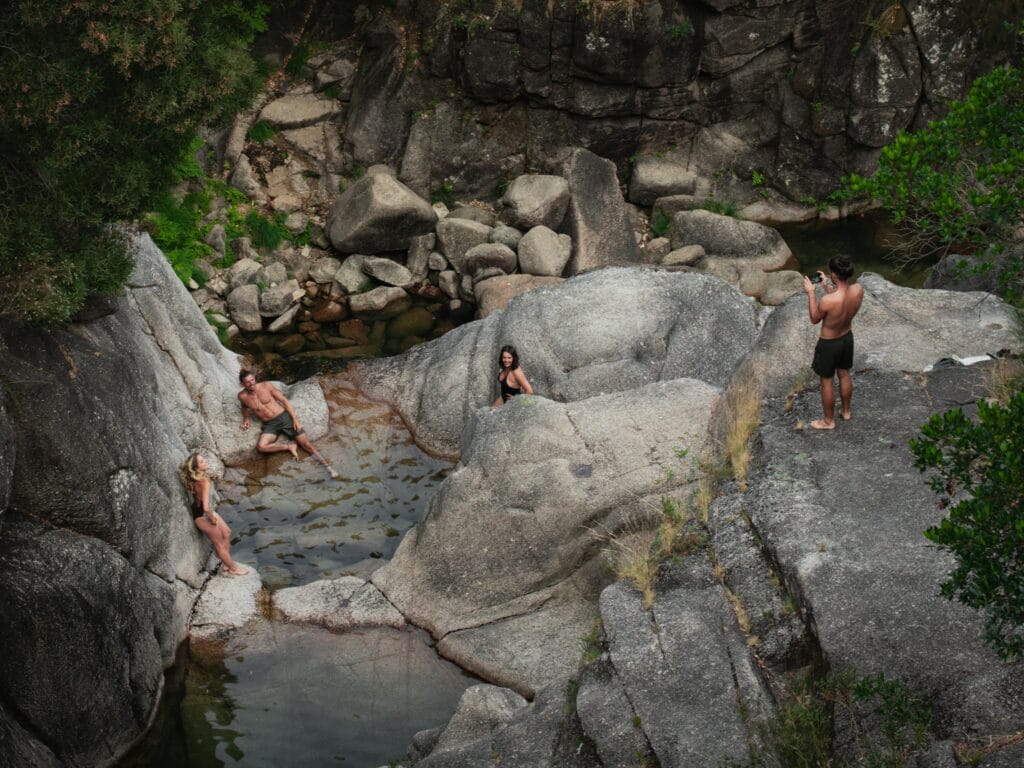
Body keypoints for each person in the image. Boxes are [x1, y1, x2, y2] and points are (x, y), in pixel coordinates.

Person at [238, 369, 340, 478]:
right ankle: (288, 446)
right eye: (247, 382)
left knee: (306, 444)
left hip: (284, 418)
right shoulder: (242, 396)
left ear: (255, 378)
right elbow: (244, 407)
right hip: (270, 424)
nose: (251, 383)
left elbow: (284, 401)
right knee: (261, 447)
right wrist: (246, 418)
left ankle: (328, 467)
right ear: (242, 383)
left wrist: (295, 419)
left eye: (252, 380)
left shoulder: (266, 386)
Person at [802, 254, 864, 430]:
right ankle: (846, 412)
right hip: (846, 337)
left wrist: (811, 292)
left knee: (827, 381)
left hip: (829, 344)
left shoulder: (828, 300)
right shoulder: (858, 289)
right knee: (844, 373)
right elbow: (842, 303)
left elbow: (815, 318)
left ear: (835, 274)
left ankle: (828, 421)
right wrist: (827, 286)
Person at [180, 451, 250, 576]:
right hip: (203, 516)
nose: (205, 461)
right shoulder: (203, 481)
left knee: (227, 533)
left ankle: (226, 564)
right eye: (202, 461)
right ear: (197, 468)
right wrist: (212, 518)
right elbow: (206, 508)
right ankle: (233, 568)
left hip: (205, 512)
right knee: (218, 542)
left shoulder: (198, 478)